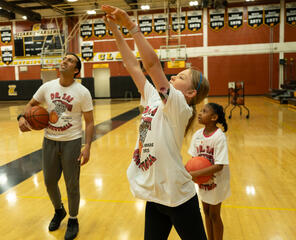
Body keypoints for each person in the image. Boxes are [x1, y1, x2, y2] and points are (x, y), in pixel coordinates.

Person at [102, 5, 209, 240]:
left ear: (191, 93)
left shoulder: (179, 104)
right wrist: (115, 31)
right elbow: (133, 66)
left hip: (178, 197)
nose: (173, 76)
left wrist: (131, 26)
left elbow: (152, 66)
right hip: (156, 195)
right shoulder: (153, 97)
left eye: (180, 77)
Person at [17, 53, 94, 240]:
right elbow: (31, 105)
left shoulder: (82, 92)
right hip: (49, 141)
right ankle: (59, 210)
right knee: (50, 182)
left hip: (72, 142)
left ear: (76, 70)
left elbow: (90, 122)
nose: (64, 61)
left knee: (72, 184)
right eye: (64, 59)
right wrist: (22, 118)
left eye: (69, 61)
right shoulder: (47, 87)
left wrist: (87, 147)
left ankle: (73, 219)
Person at [187, 103, 230, 240]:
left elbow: (219, 166)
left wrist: (195, 174)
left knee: (214, 215)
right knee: (205, 211)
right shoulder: (197, 135)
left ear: (214, 117)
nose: (199, 113)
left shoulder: (219, 137)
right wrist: (188, 172)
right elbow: (194, 160)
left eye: (204, 111)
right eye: (200, 110)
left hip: (217, 182)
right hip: (203, 181)